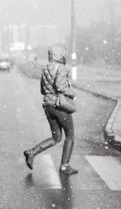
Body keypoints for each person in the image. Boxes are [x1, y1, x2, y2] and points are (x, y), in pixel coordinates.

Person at [23, 44, 78, 175]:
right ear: (61, 55)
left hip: (48, 106)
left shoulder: (46, 68)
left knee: (56, 138)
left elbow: (42, 90)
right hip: (60, 106)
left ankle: (32, 152)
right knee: (70, 136)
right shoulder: (62, 68)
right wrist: (72, 93)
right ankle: (65, 166)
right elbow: (60, 87)